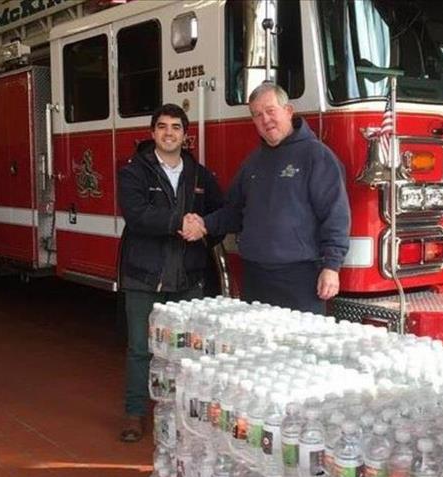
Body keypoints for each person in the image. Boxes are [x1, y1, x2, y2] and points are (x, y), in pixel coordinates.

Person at [181, 82, 350, 314]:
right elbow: (234, 213)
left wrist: (332, 267)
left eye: (271, 111)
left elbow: (336, 216)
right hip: (255, 276)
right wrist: (204, 224)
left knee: (298, 348)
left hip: (300, 278)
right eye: (257, 115)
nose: (265, 120)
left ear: (288, 111)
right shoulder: (253, 163)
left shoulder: (317, 156)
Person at [117, 104, 222, 442]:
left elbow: (218, 215)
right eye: (162, 127)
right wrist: (179, 222)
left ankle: (182, 412)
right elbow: (137, 215)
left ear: (185, 135)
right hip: (143, 276)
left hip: (188, 278)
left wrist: (203, 230)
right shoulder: (134, 171)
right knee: (140, 349)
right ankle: (134, 413)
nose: (168, 133)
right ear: (152, 133)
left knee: (187, 351)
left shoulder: (201, 176)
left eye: (176, 127)